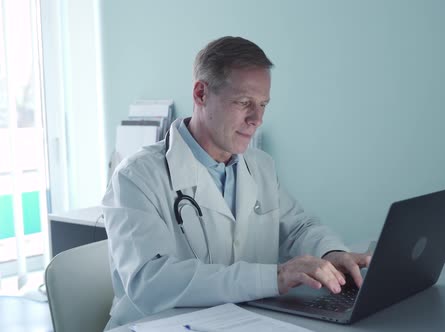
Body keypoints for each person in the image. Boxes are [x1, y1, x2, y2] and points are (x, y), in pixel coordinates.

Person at [102, 36, 371, 329]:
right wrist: (275, 277)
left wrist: (331, 254)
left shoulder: (259, 165)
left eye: (263, 105)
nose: (257, 119)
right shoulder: (137, 177)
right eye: (244, 102)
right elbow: (150, 282)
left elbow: (298, 228)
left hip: (239, 322)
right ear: (201, 94)